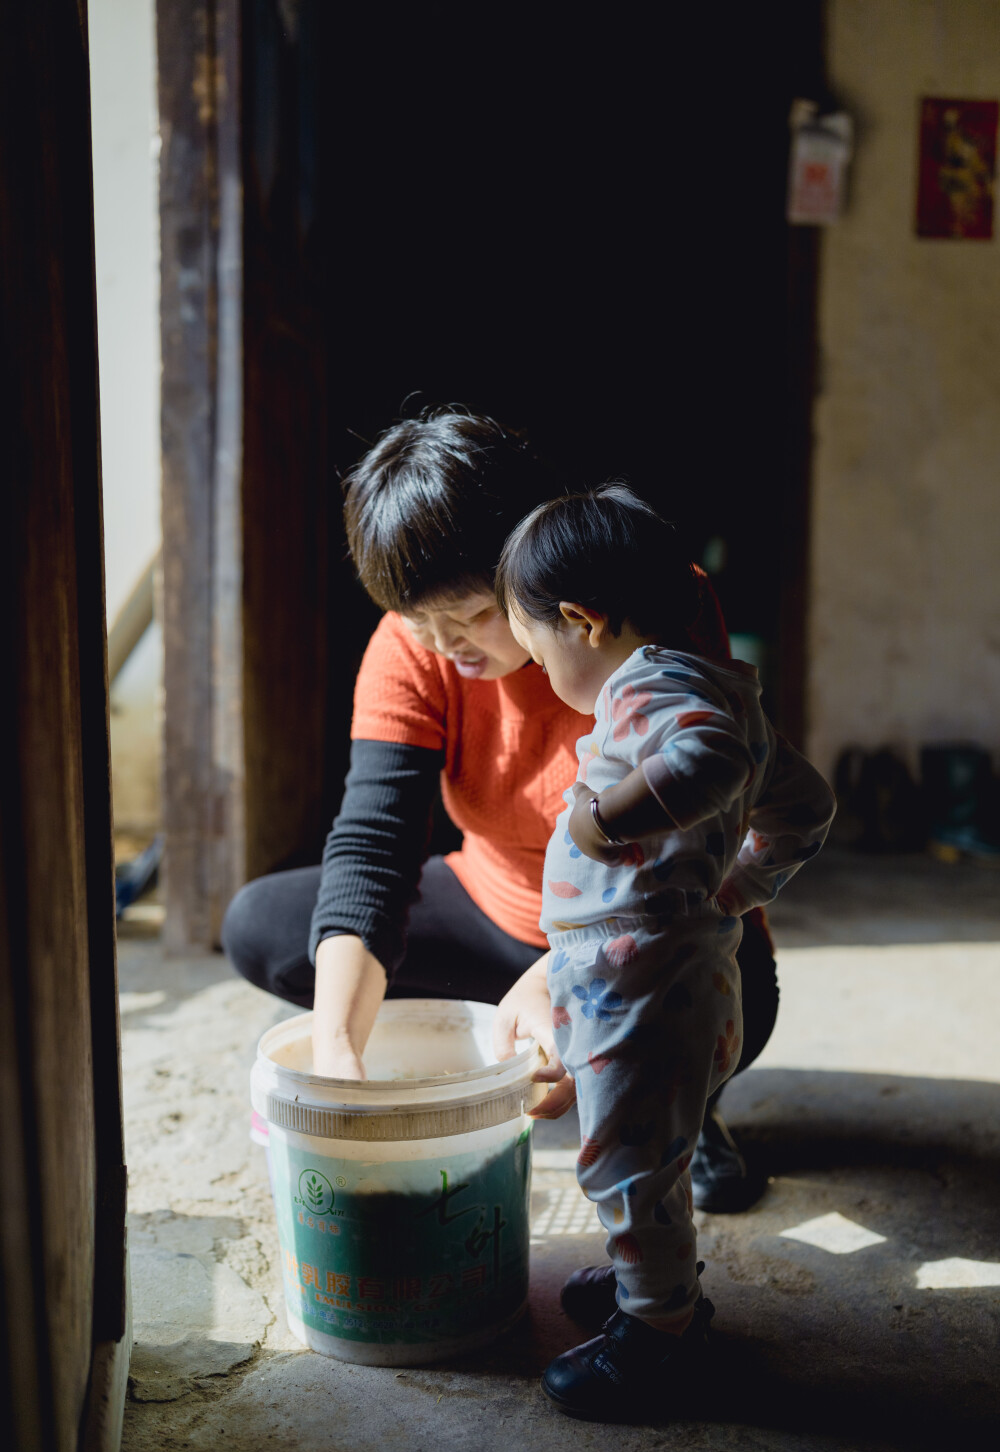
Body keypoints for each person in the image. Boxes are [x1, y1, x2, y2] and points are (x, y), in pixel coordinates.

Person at [222, 408, 781, 1208]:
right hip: (495, 907)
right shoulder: (411, 648)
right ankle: (542, 1056)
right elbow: (374, 842)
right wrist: (338, 1052)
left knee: (726, 995)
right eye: (418, 619)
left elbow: (693, 844)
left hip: (657, 919)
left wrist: (565, 972)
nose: (445, 644)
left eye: (472, 614)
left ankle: (683, 1117)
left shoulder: (655, 601)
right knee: (267, 928)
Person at [491, 484, 835, 1417]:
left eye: (533, 647)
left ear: (581, 620)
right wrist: (745, 884)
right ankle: (655, 1285)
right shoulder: (721, 683)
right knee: (655, 1151)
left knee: (624, 1161)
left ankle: (658, 1336)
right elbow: (804, 807)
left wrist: (606, 816)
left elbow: (709, 756)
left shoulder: (654, 687)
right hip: (673, 966)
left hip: (640, 982)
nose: (538, 669)